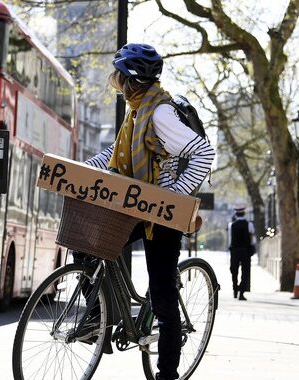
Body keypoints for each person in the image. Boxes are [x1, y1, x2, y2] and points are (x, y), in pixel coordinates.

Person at [84, 43, 215, 380]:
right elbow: (115, 153)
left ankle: (167, 374)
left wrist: (173, 195)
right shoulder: (137, 111)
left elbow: (202, 152)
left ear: (128, 78)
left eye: (116, 75)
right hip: (135, 204)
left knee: (162, 293)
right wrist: (80, 171)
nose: (113, 80)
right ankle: (98, 319)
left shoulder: (159, 113)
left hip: (163, 214)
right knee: (86, 245)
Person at [228, 206, 256, 301]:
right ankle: (242, 293)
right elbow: (252, 238)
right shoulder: (249, 224)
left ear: (236, 214)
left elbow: (230, 240)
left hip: (234, 251)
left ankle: (235, 290)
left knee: (234, 271)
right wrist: (252, 248)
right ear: (244, 214)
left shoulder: (232, 225)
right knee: (245, 272)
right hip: (245, 250)